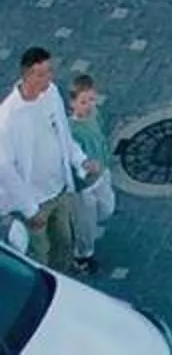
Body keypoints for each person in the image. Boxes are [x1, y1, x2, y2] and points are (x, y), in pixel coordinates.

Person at [0, 46, 80, 269]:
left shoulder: (52, 93)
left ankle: (67, 278)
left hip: (59, 188)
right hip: (36, 200)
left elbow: (62, 132)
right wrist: (29, 208)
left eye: (49, 72)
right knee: (39, 255)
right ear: (26, 75)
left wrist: (78, 160)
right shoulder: (7, 118)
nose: (48, 78)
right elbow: (4, 168)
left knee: (64, 241)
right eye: (41, 74)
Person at [66, 71, 115, 277]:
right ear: (73, 104)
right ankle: (83, 255)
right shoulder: (71, 130)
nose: (89, 105)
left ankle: (75, 225)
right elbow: (71, 156)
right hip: (84, 185)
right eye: (84, 101)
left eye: (92, 99)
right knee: (87, 224)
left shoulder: (95, 115)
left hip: (102, 174)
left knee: (107, 209)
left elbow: (101, 135)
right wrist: (84, 168)